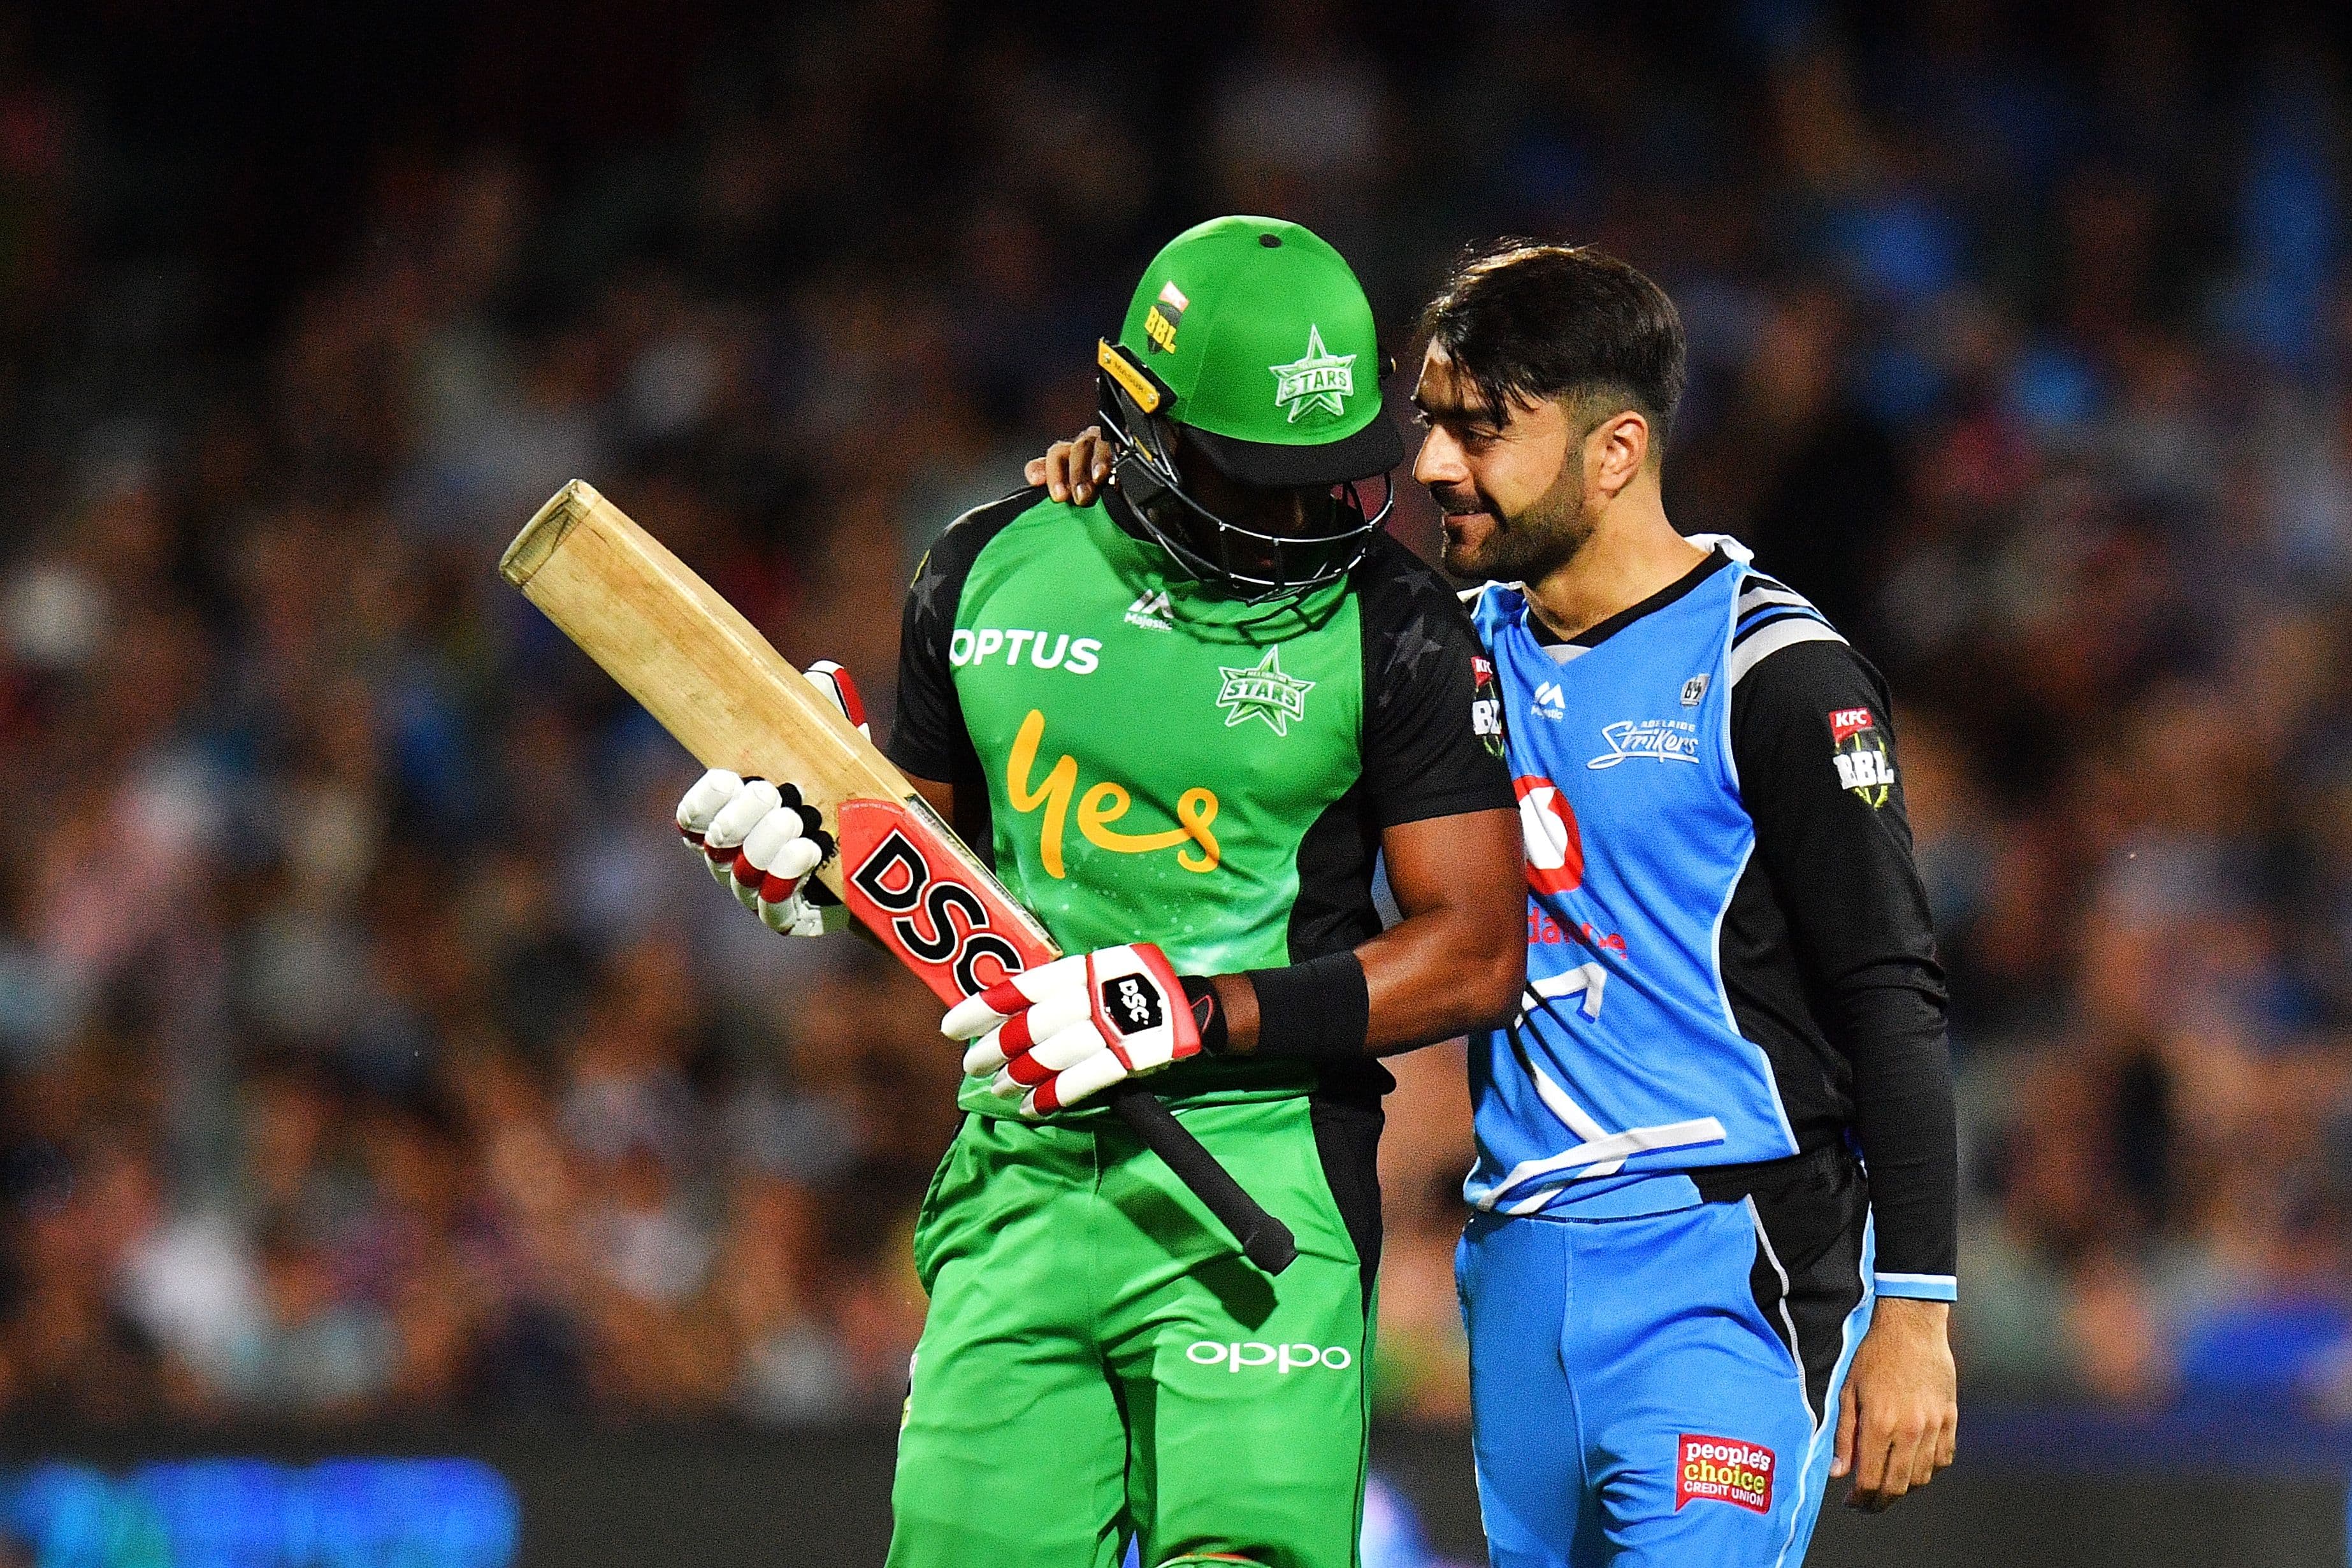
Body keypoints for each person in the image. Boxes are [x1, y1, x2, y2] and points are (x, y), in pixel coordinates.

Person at [1030, 239, 1959, 1566]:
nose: (1431, 465)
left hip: (1724, 1258)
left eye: (1481, 431)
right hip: (1516, 1259)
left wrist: (1915, 1312)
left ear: (1616, 450)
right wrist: (1112, 501)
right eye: (1429, 423)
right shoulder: (1445, 648)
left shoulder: (1776, 673)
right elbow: (1228, 637)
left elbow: (1892, 992)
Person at [681, 215, 1523, 1568]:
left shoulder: (1397, 621)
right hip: (1015, 1177)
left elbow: (1479, 956)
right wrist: (809, 858)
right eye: (1258, 479)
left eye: (1331, 473)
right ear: (1134, 422)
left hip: (1263, 1179)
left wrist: (1191, 1009)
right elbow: (917, 859)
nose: (1310, 515)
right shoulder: (981, 565)